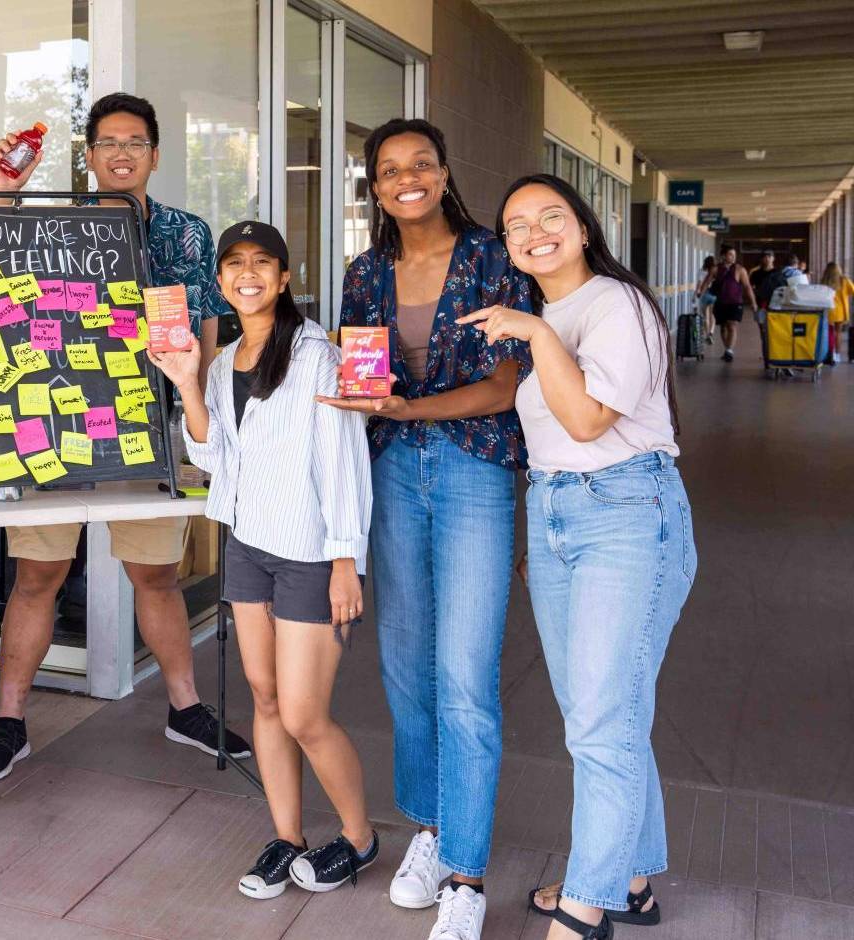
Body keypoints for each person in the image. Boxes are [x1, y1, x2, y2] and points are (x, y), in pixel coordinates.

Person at [0, 91, 247, 783]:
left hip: (149, 429)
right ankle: (9, 720)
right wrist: (6, 191)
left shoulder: (186, 232)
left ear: (154, 155)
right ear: (89, 157)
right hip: (51, 426)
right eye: (108, 143)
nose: (121, 153)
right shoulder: (55, 223)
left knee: (154, 573)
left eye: (135, 142)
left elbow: (207, 328)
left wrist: (199, 414)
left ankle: (184, 708)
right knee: (38, 576)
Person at [460, 173, 694, 940]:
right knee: (603, 714)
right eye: (516, 223)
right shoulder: (553, 314)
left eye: (549, 216)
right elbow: (553, 436)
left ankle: (587, 908)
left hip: (628, 511)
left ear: (584, 227)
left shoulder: (614, 305)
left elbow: (590, 420)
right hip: (560, 513)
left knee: (602, 720)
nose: (533, 232)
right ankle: (628, 877)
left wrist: (533, 335)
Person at [318, 118, 534, 940]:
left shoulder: (489, 257)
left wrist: (407, 405)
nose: (406, 179)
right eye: (388, 170)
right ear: (374, 188)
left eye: (421, 164)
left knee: (467, 677)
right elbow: (359, 369)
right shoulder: (365, 271)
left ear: (444, 174)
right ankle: (433, 835)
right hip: (391, 474)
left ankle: (468, 876)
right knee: (408, 668)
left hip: (474, 467)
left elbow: (506, 385)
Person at [151, 221, 377, 900]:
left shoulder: (317, 357)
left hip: (312, 552)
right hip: (249, 545)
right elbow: (214, 459)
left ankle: (361, 839)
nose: (246, 275)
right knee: (267, 700)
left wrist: (345, 560)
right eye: (234, 265)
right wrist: (189, 383)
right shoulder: (223, 366)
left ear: (283, 278)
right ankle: (287, 837)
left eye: (262, 264)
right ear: (219, 282)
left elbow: (343, 463)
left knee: (306, 712)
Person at [708, 245, 759, 363]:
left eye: (734, 255)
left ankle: (729, 350)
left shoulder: (740, 270)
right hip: (721, 303)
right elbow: (707, 281)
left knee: (732, 325)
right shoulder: (716, 269)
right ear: (724, 256)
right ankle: (727, 349)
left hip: (736, 303)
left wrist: (753, 302)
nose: (733, 257)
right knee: (723, 328)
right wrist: (699, 293)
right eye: (731, 254)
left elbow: (747, 286)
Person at [822, 262, 853, 365]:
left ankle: (829, 354)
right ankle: (837, 355)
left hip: (828, 310)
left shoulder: (824, 280)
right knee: (838, 333)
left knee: (828, 333)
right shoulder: (844, 280)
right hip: (840, 311)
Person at [692, 255, 716, 346]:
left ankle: (707, 335)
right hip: (714, 294)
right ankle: (711, 332)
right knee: (713, 315)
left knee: (705, 315)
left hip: (704, 294)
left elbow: (699, 284)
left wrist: (695, 295)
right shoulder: (714, 272)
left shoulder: (701, 271)